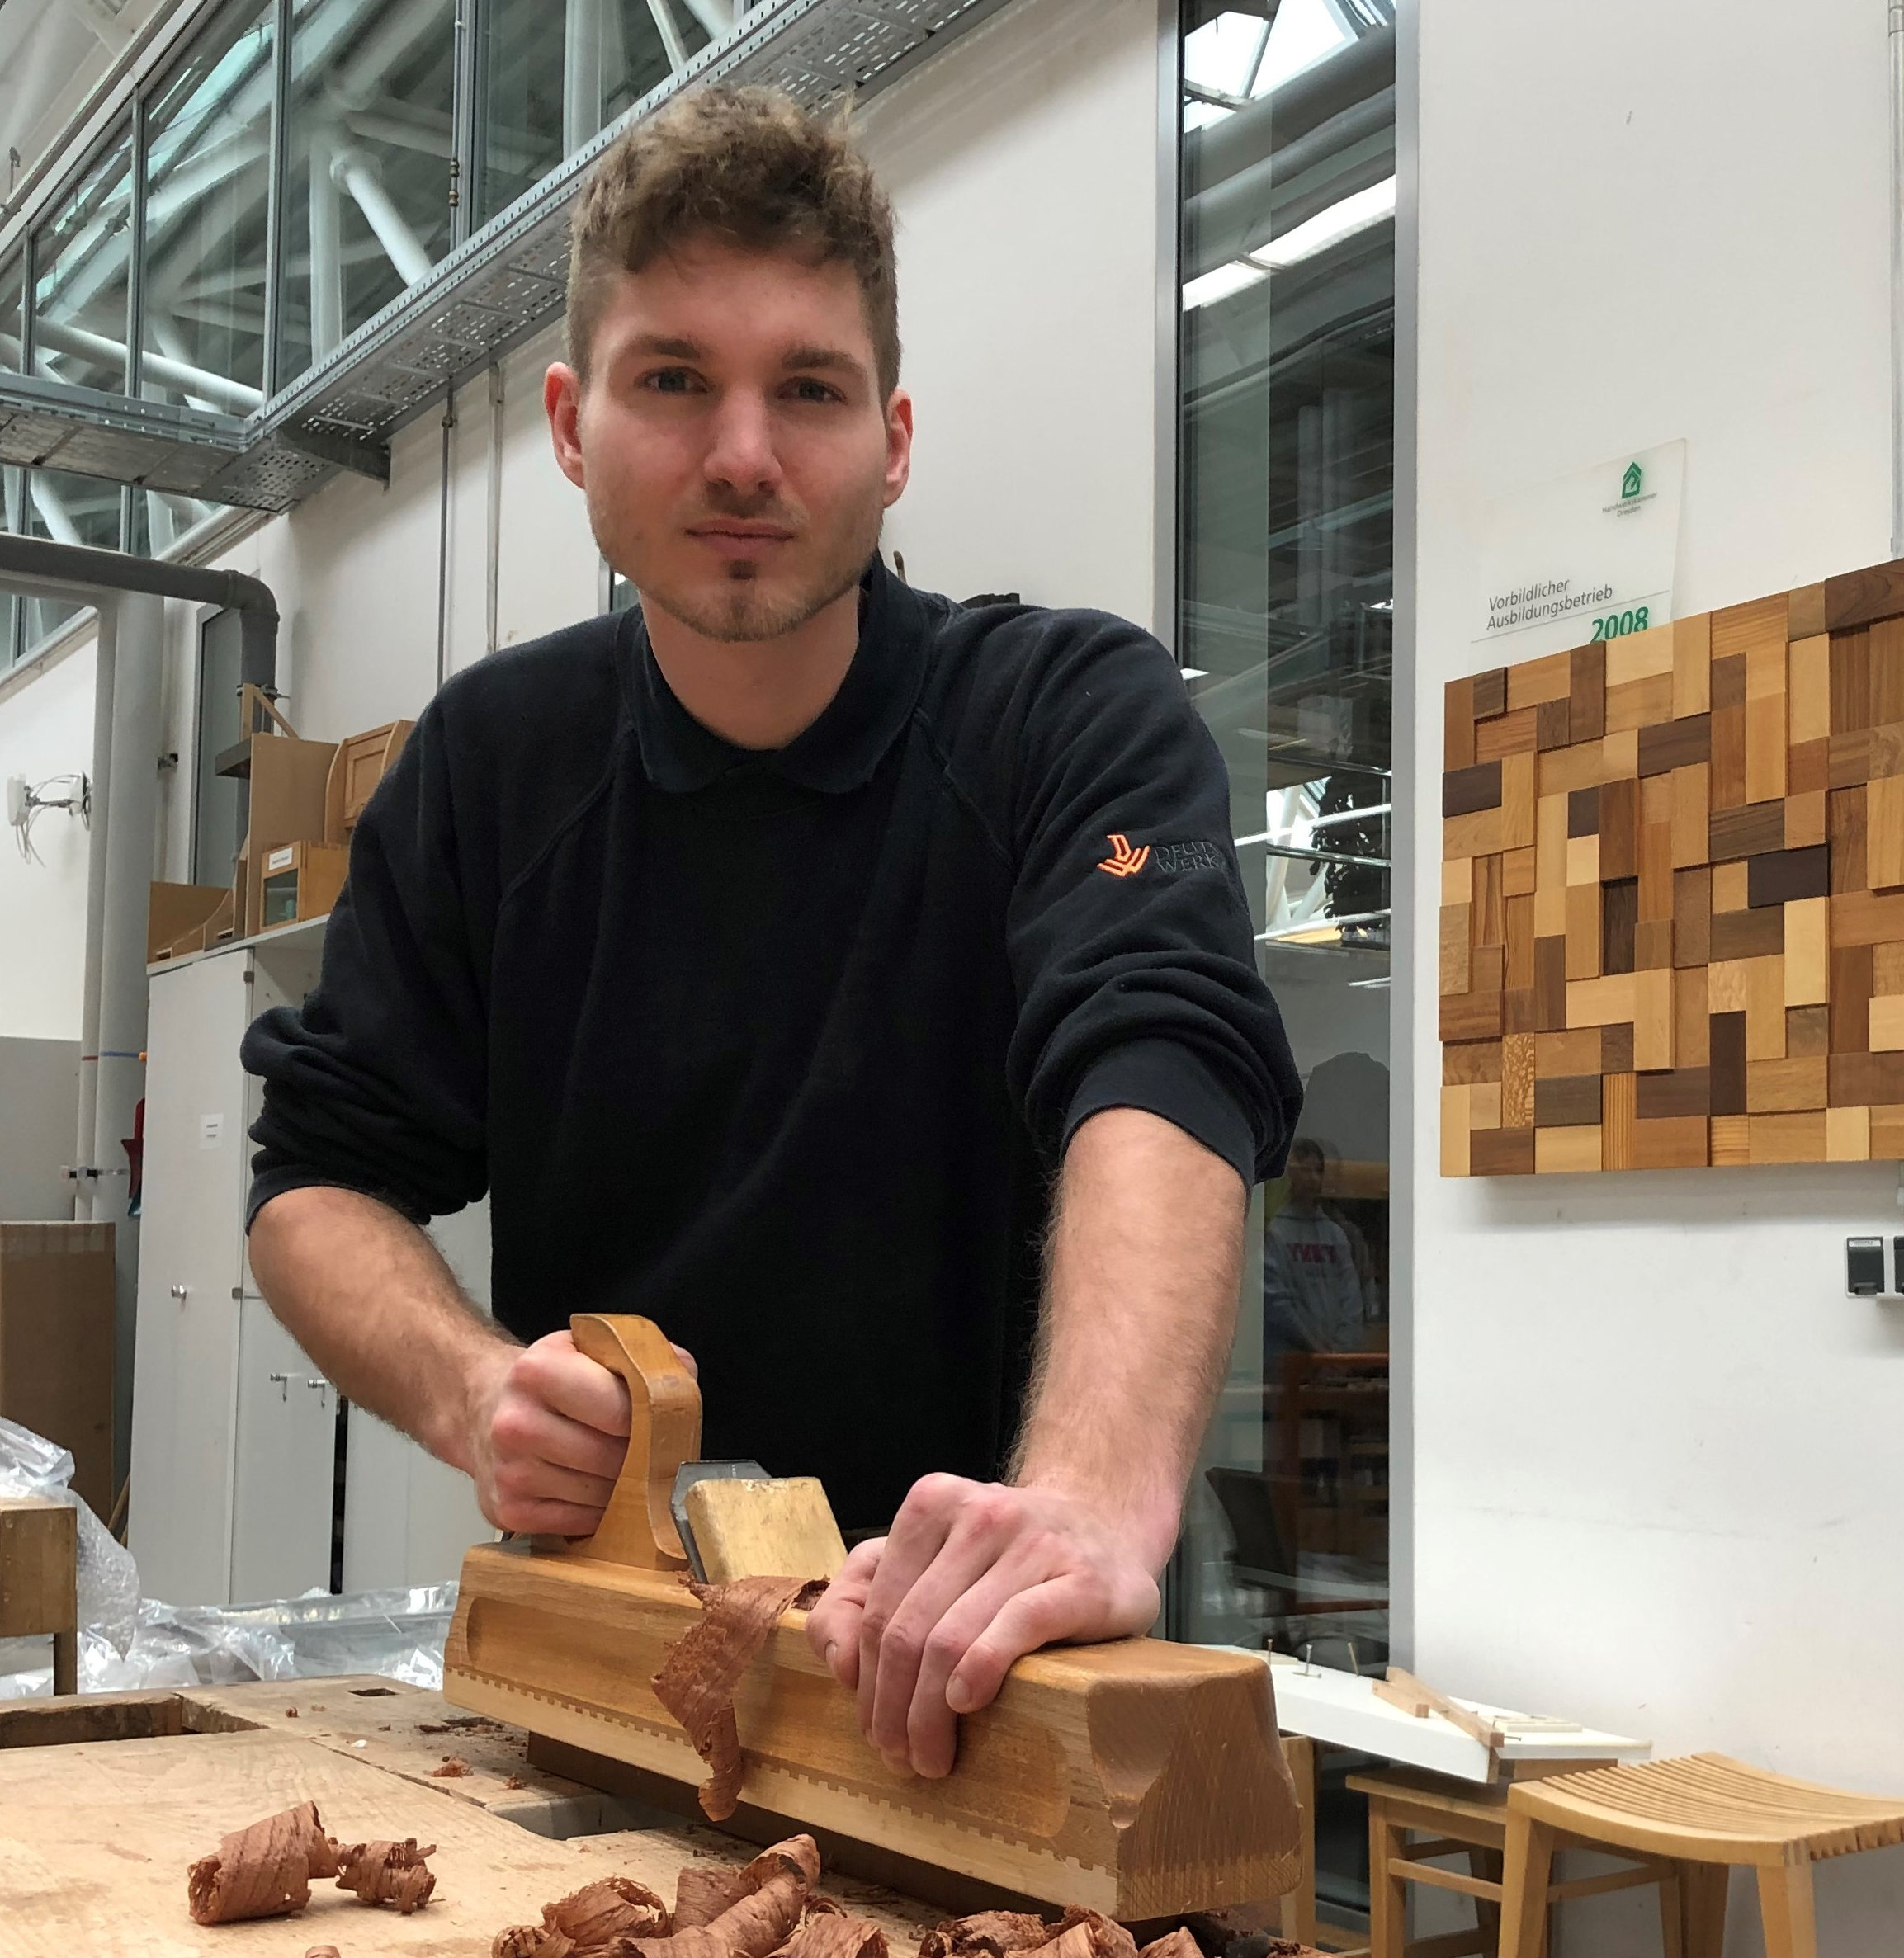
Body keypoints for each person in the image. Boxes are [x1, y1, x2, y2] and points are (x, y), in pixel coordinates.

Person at [239, 87, 1298, 1781]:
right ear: (575, 425)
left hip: (990, 1700)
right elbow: (312, 1181)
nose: (743, 454)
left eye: (806, 388)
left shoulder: (1067, 714)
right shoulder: (493, 767)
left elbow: (1162, 1058)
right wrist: (471, 1389)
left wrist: (1090, 1494)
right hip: (620, 1710)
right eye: (675, 381)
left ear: (891, 435)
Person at [1261, 1137, 1368, 1358]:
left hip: (1333, 1362)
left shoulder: (1335, 1235)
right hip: (1287, 1362)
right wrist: (1313, 1348)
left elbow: (1351, 1298)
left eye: (1318, 1171)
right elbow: (1276, 1303)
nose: (1312, 1179)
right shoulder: (1274, 1232)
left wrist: (1339, 1352)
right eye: (1305, 1170)